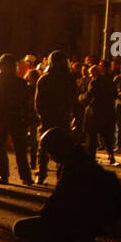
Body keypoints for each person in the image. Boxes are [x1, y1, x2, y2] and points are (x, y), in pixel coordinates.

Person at [12, 126, 121, 242]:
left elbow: (60, 204)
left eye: (50, 152)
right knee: (22, 228)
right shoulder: (74, 161)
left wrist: (47, 223)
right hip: (77, 220)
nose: (50, 156)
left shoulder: (76, 168)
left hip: (81, 223)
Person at [34, 50, 77, 185]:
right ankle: (42, 173)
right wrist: (43, 114)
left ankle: (60, 175)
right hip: (50, 117)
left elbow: (73, 98)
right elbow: (39, 101)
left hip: (62, 117)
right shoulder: (45, 79)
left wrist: (73, 114)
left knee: (62, 147)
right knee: (45, 147)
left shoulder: (69, 79)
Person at [0, 54, 34, 186]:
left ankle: (23, 175)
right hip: (3, 116)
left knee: (19, 148)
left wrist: (26, 116)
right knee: (2, 148)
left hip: (15, 117)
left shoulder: (19, 83)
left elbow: (26, 102)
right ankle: (4, 174)